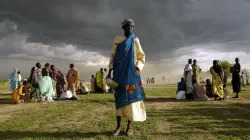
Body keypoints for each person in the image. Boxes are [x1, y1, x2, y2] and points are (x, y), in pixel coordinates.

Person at [107, 19, 146, 136]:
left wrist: (138, 68)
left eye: (132, 27)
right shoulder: (117, 40)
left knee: (131, 101)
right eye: (128, 26)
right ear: (123, 28)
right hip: (119, 74)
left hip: (131, 75)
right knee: (119, 100)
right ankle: (118, 127)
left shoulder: (135, 40)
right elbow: (113, 55)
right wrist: (110, 71)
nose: (130, 28)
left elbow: (141, 56)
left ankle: (129, 127)